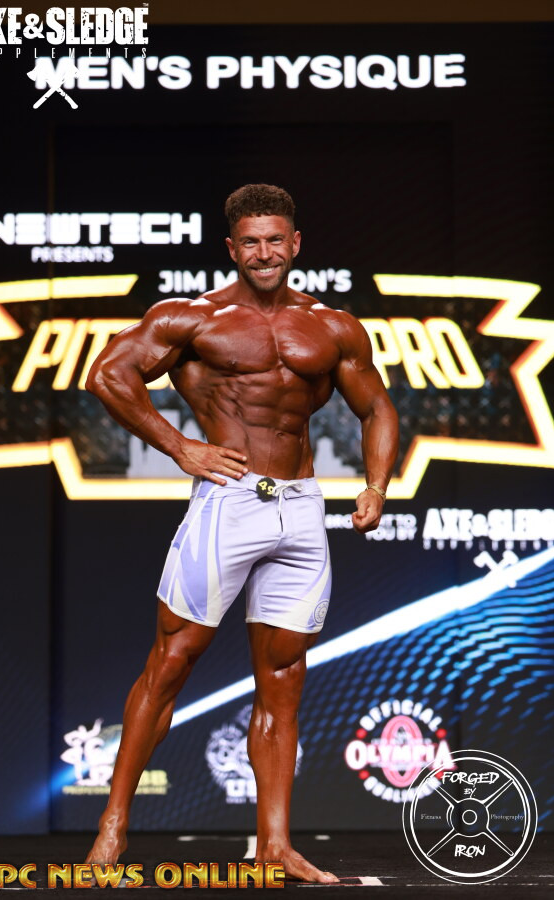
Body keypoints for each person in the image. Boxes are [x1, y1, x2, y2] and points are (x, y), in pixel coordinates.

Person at [85, 184, 399, 883]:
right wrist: (180, 446)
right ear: (232, 248)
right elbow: (108, 374)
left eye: (275, 240)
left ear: (295, 244)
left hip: (301, 508)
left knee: (283, 677)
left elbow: (377, 407)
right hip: (229, 501)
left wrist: (375, 485)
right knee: (172, 661)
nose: (264, 253)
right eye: (250, 242)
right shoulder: (194, 318)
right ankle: (113, 825)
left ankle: (275, 845)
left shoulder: (332, 326)